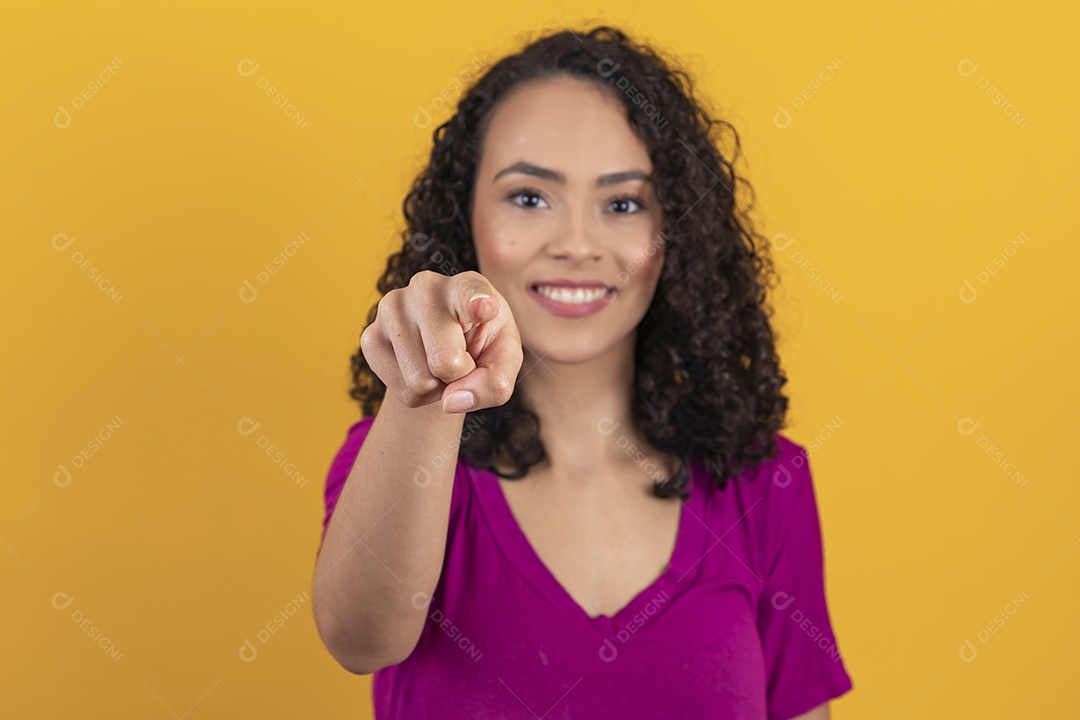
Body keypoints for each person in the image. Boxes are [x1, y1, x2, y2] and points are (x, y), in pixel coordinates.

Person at [312, 24, 853, 719]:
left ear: (676, 234)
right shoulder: (400, 457)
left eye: (622, 204)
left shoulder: (763, 484)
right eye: (529, 197)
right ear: (466, 216)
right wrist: (429, 383)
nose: (575, 244)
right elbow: (360, 640)